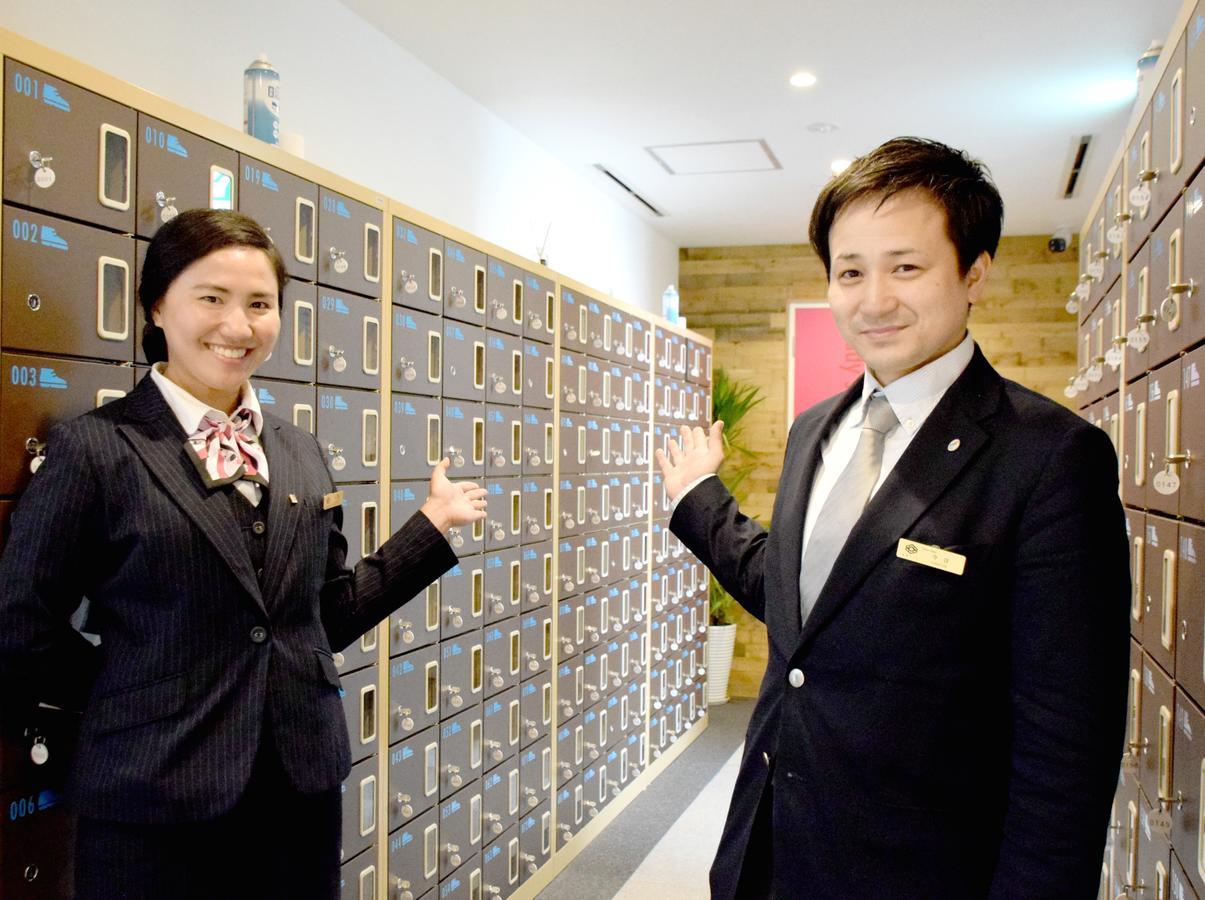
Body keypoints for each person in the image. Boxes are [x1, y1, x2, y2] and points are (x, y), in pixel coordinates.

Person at [656, 137, 1129, 898]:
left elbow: (1066, 745)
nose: (872, 300)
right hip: (770, 848)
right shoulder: (815, 429)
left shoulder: (1047, 456)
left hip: (919, 869)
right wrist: (695, 500)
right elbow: (811, 606)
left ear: (974, 272)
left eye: (904, 267)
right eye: (849, 272)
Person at [0, 208, 487, 898]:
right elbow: (19, 624)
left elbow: (318, 619)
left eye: (260, 304)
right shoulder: (98, 450)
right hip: (152, 796)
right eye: (212, 299)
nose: (238, 326)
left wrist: (428, 530)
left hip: (297, 791)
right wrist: (132, 696)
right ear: (157, 305)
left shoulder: (296, 450)